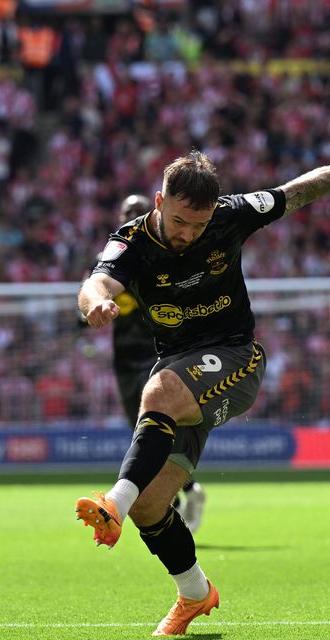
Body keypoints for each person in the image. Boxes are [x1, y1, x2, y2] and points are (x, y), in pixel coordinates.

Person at [76, 142, 330, 636]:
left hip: (237, 358)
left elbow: (295, 193)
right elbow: (97, 282)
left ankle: (113, 501)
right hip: (180, 369)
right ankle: (195, 593)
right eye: (179, 222)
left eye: (198, 226)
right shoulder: (130, 241)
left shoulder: (231, 215)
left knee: (157, 394)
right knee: (153, 506)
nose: (188, 234)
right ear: (159, 202)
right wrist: (95, 305)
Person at [112, 194, 206, 531]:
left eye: (138, 212)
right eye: (128, 212)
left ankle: (171, 497)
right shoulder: (112, 259)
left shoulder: (163, 259)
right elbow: (86, 308)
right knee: (138, 432)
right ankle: (187, 491)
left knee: (151, 430)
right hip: (124, 359)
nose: (132, 217)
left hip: (156, 355)